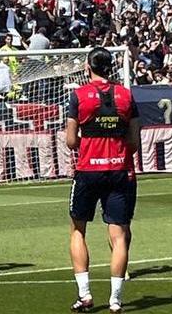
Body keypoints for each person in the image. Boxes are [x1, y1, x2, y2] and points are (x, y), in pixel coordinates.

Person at [65, 47, 140, 314]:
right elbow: (134, 141)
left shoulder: (79, 96)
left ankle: (85, 295)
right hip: (120, 170)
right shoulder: (126, 95)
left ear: (88, 68)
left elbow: (71, 140)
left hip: (88, 171)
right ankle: (116, 300)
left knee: (78, 230)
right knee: (119, 236)